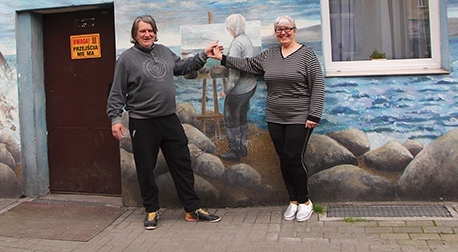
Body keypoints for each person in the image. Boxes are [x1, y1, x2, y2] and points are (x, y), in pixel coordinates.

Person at [107, 15, 222, 230]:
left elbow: (182, 67)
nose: (147, 34)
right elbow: (117, 92)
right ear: (135, 34)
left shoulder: (164, 51)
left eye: (150, 30)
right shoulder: (126, 59)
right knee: (145, 168)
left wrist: (204, 55)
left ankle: (191, 209)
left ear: (155, 32)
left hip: (169, 119)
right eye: (142, 31)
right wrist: (115, 118)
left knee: (182, 164)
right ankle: (151, 210)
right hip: (142, 122)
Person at [209, 15, 324, 222]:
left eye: (287, 29)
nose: (283, 33)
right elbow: (247, 64)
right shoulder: (270, 55)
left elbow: (318, 85)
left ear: (294, 30)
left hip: (300, 116)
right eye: (279, 29)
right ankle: (293, 201)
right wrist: (222, 58)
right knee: (283, 157)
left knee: (293, 157)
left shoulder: (307, 55)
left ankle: (305, 200)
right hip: (275, 116)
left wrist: (314, 114)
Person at [219, 14, 257, 161]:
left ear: (233, 27)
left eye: (229, 26)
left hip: (239, 90)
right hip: (250, 87)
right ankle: (243, 147)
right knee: (242, 118)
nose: (228, 29)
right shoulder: (246, 39)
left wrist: (226, 91)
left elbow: (234, 73)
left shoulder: (236, 43)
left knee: (231, 120)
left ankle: (234, 152)